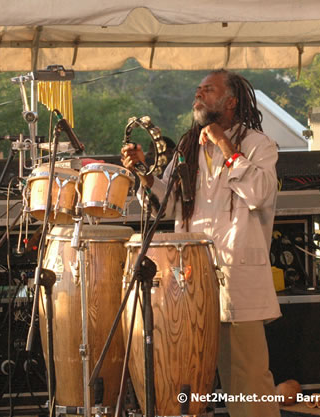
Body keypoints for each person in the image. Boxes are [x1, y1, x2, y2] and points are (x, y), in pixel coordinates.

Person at [121, 69, 281, 417]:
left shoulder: (257, 144)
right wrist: (145, 174)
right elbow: (171, 204)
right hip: (192, 280)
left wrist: (226, 146)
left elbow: (260, 194)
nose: (199, 95)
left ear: (230, 101)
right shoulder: (188, 146)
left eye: (208, 90)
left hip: (238, 279)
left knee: (248, 379)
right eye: (198, 90)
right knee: (189, 375)